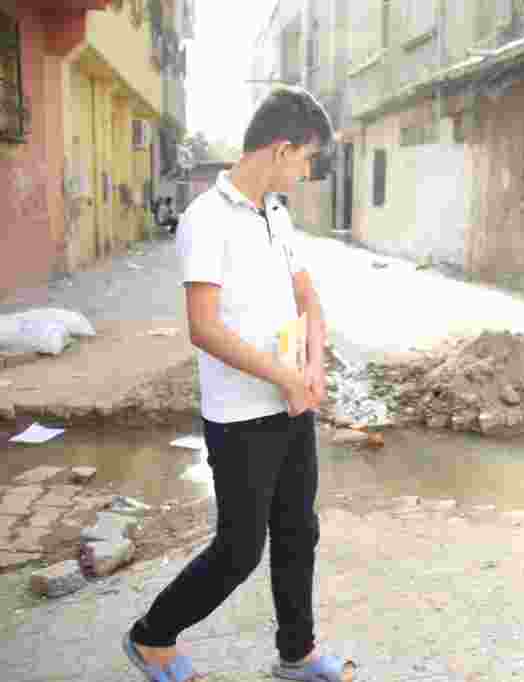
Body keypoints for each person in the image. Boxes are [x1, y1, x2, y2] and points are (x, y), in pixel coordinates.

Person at [122, 87, 354, 682]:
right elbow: (203, 328)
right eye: (306, 160)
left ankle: (297, 655)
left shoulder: (276, 213)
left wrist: (314, 366)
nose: (306, 174)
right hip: (241, 418)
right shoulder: (206, 220)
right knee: (240, 550)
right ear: (281, 149)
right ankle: (152, 638)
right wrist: (283, 375)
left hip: (291, 405)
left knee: (299, 531)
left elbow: (309, 298)